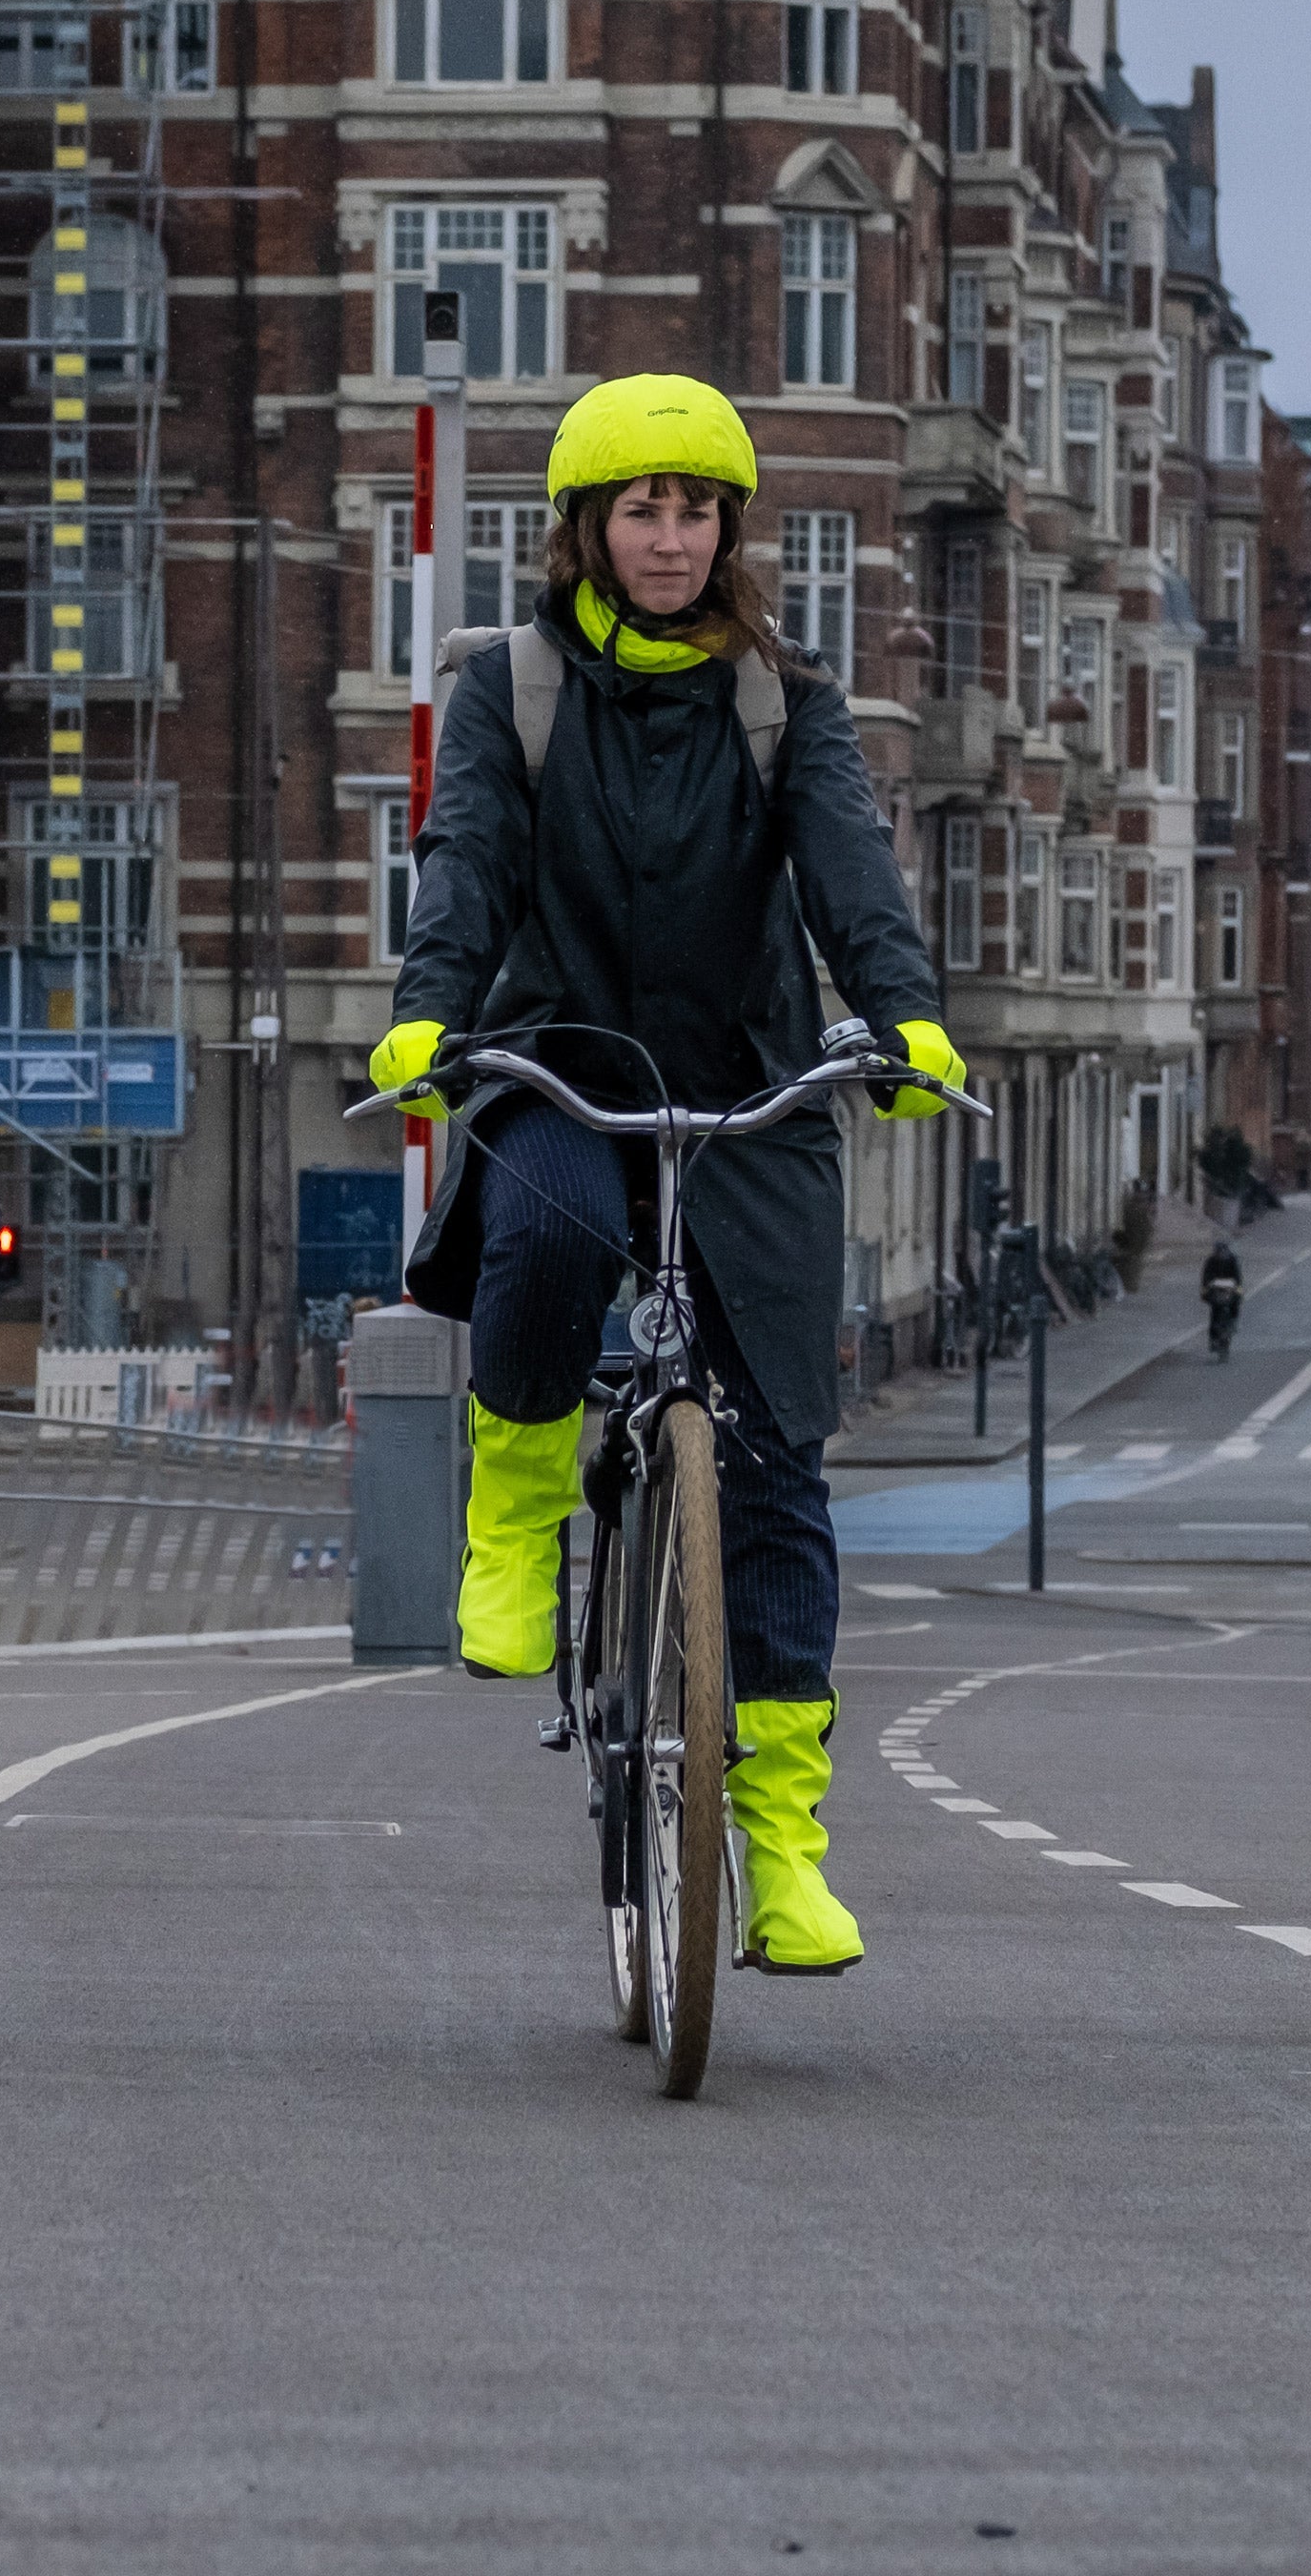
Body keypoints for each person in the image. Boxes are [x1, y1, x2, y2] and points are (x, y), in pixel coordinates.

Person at [369, 375, 960, 1976]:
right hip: (561, 1050)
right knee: (547, 1238)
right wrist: (429, 1016)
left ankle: (780, 1847)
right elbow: (469, 858)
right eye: (643, 507)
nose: (672, 537)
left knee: (775, 1459)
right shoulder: (513, 690)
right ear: (584, 527)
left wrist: (905, 1017)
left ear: (729, 532)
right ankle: (516, 1525)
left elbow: (848, 868)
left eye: (698, 510)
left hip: (750, 1083)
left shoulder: (788, 705)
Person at [1200, 1236, 1243, 1359]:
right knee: (1214, 1313)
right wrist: (1205, 1291)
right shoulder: (1210, 1261)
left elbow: (1238, 1277)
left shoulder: (1232, 1260)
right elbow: (1205, 1278)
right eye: (1218, 1252)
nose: (1221, 1255)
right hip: (1216, 1290)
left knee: (1235, 1303)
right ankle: (1213, 1339)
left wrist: (1238, 1291)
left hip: (1229, 1289)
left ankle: (1234, 1321)